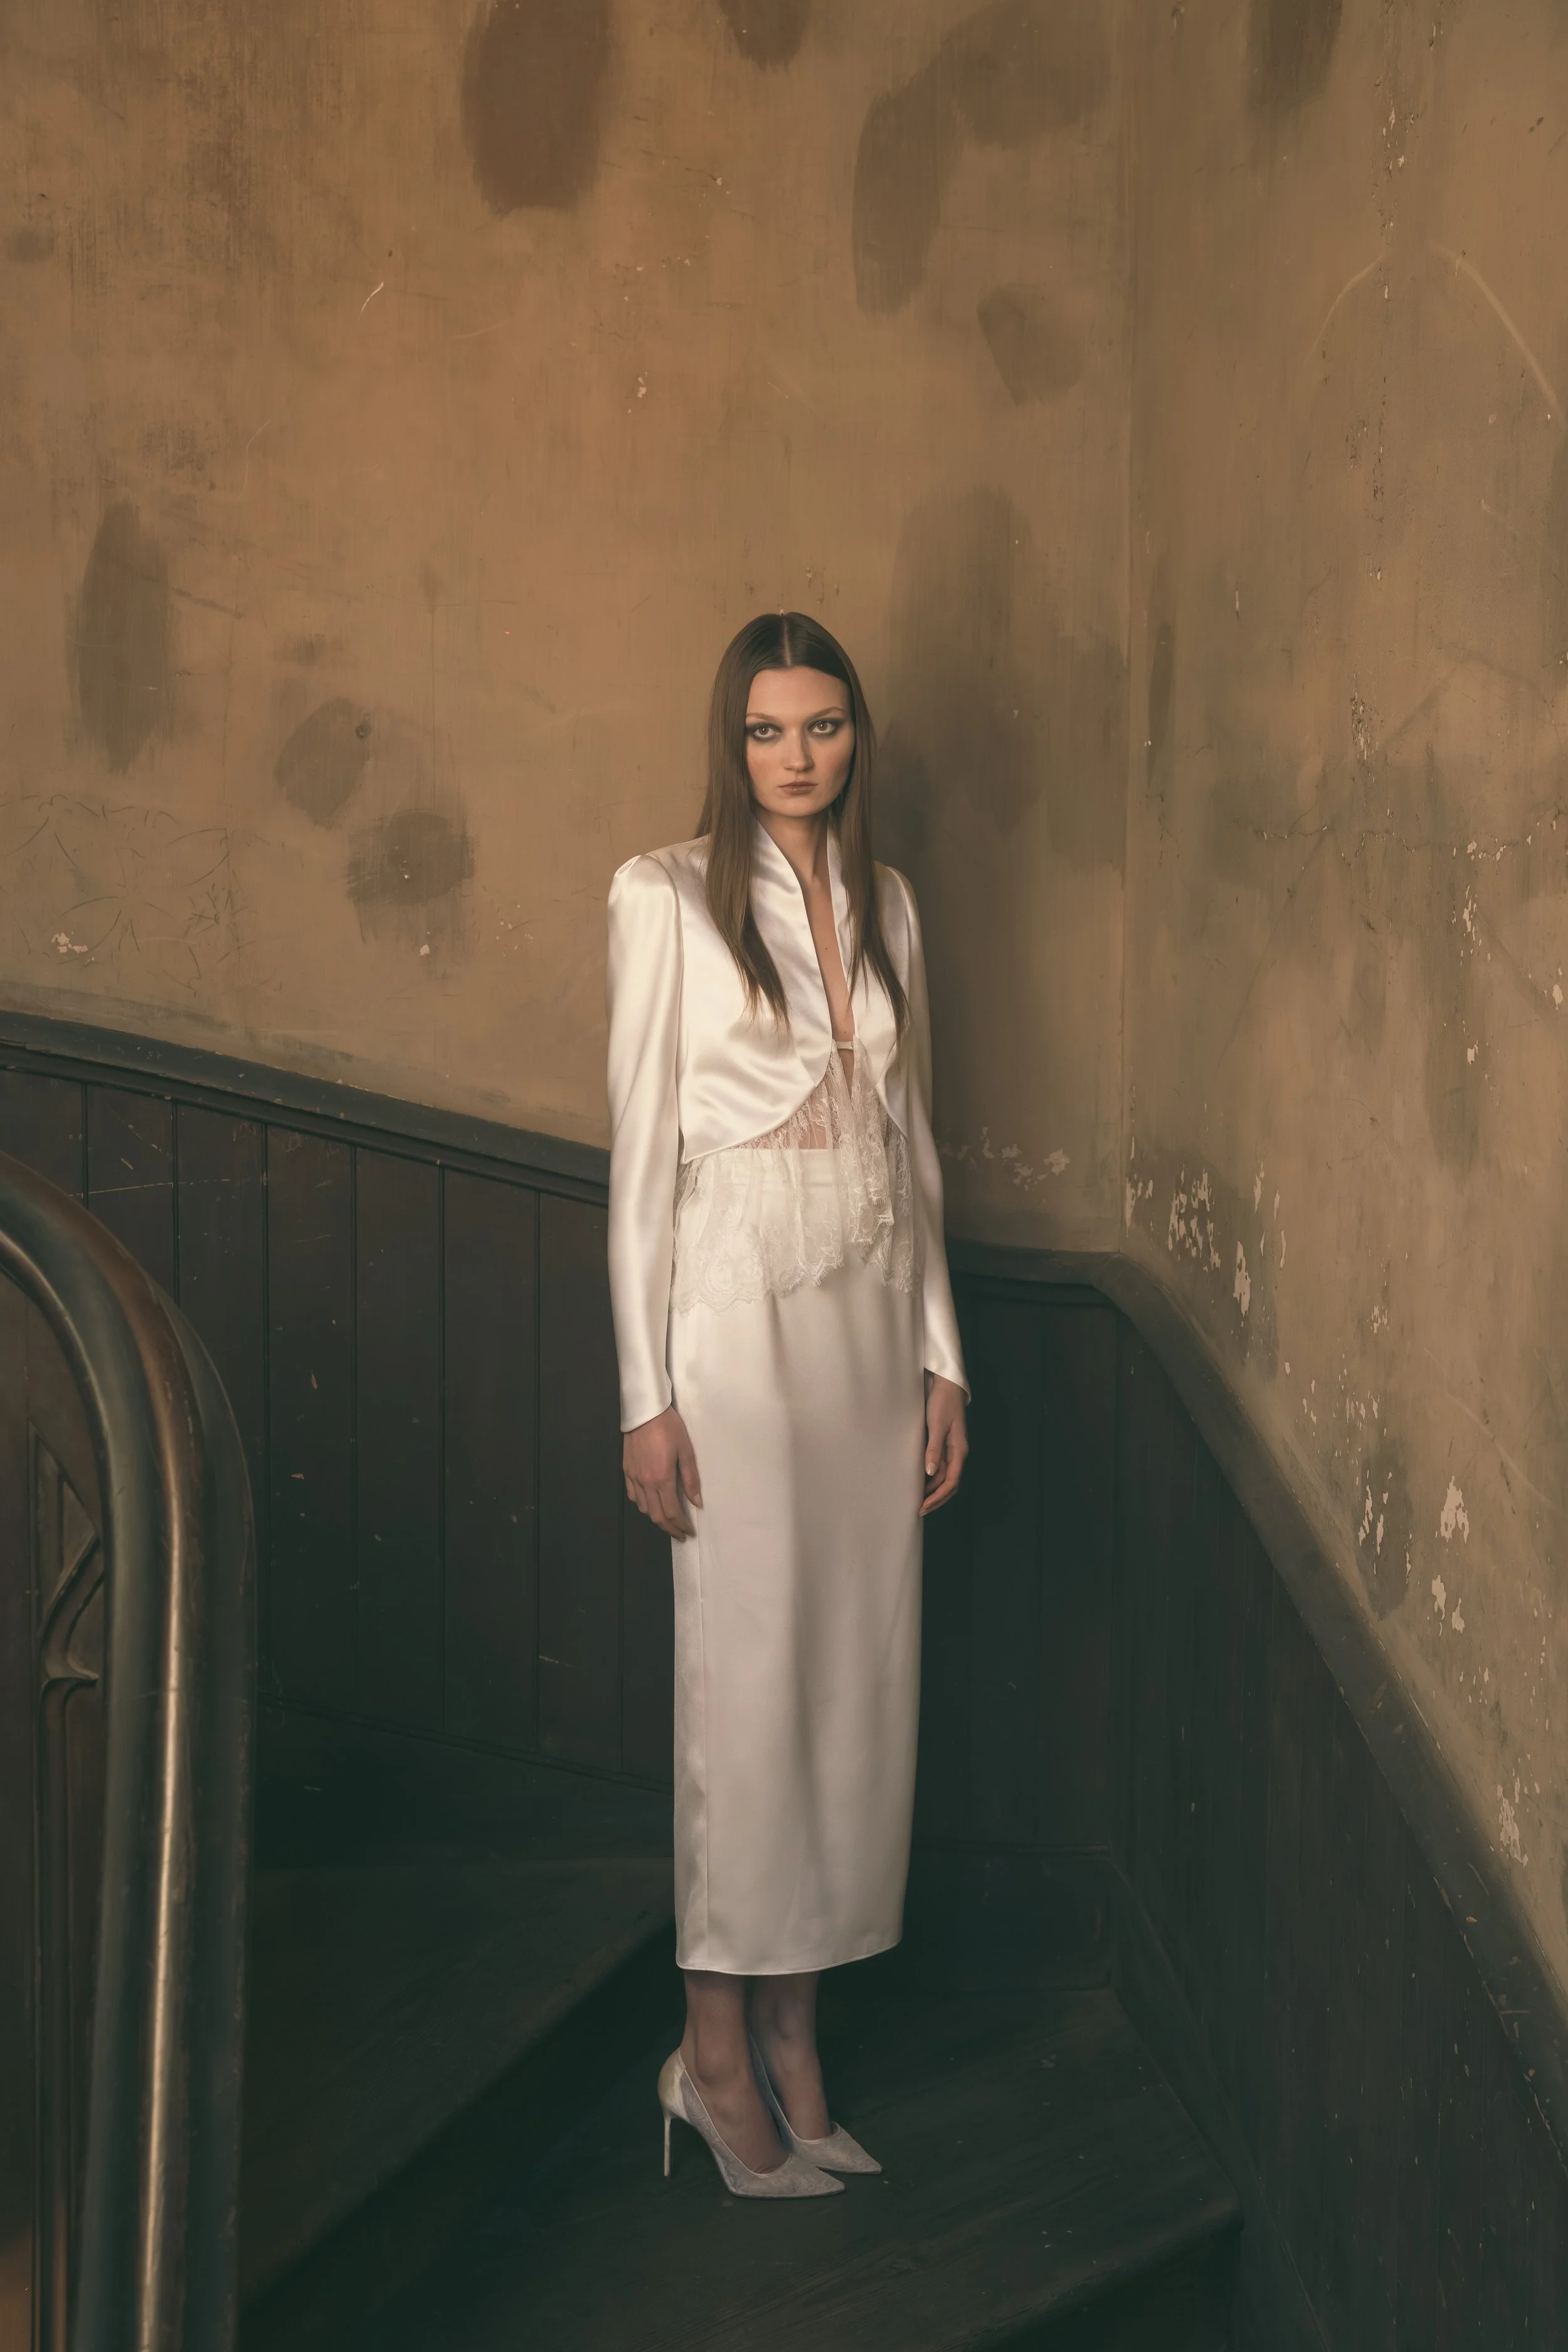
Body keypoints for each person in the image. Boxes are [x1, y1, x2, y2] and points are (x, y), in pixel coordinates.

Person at [606, 610, 968, 2199]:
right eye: (766, 729)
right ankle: (707, 2056)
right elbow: (640, 1161)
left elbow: (912, 1145)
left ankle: (796, 2041)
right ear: (731, 739)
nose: (796, 755)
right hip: (733, 1339)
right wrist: (644, 1396)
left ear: (853, 736)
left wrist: (944, 1357)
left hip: (869, 1335)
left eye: (821, 725)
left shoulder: (891, 903)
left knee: (852, 1692)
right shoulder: (664, 896)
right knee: (748, 1698)